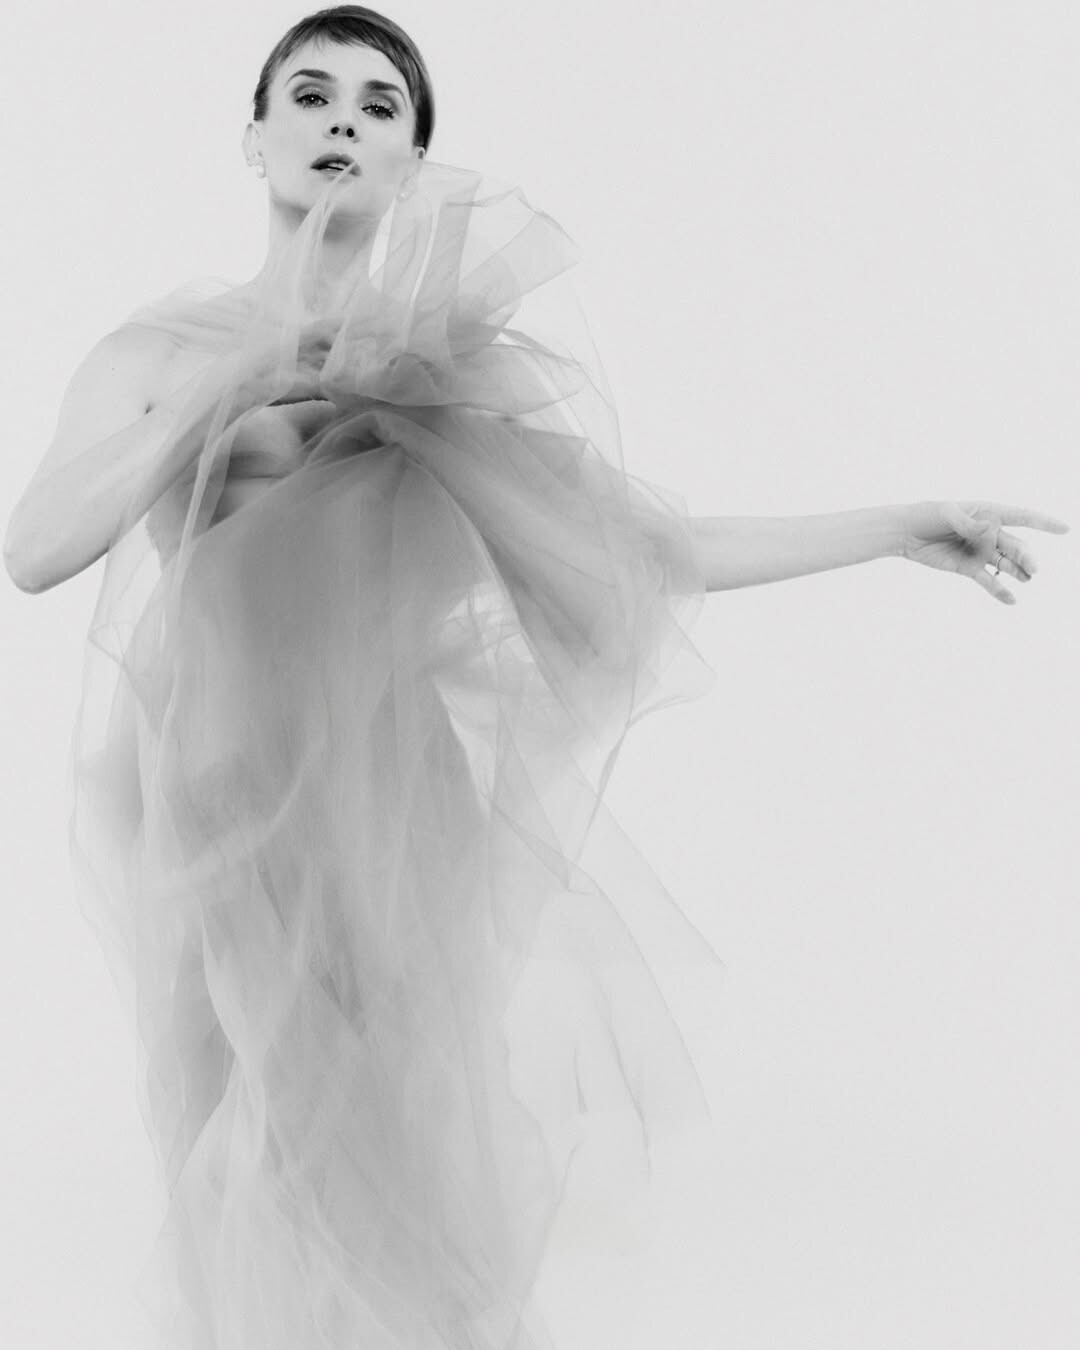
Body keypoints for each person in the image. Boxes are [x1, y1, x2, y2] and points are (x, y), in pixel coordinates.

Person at [2, 7, 1069, 1349]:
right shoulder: (160, 351)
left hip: (390, 806)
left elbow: (642, 547)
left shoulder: (438, 380)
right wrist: (236, 378)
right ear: (255, 137)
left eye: (380, 106)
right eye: (312, 95)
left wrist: (895, 528)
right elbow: (38, 550)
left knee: (393, 1154)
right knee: (237, 1140)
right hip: (213, 794)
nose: (343, 122)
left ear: (411, 162)